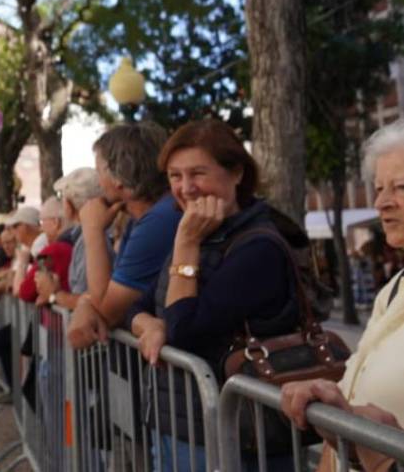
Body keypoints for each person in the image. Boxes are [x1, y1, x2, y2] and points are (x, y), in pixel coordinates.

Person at [126, 120, 298, 471]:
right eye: (175, 176)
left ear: (236, 173)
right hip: (178, 428)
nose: (185, 188)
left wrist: (186, 244)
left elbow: (185, 332)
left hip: (237, 441)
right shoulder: (199, 233)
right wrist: (150, 326)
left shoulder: (258, 246)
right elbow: (139, 306)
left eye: (197, 174)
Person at [281, 121, 404, 472]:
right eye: (379, 188)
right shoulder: (393, 288)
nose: (381, 202)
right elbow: (350, 398)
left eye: (400, 187)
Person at [68, 122, 182, 350]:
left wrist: (92, 230)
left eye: (99, 171)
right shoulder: (145, 218)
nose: (99, 183)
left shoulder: (159, 220)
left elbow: (107, 310)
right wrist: (84, 303)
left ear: (119, 177)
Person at [33, 168, 107, 310]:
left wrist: (54, 294)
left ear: (68, 205)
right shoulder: (83, 237)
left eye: (62, 197)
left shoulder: (88, 240)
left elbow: (91, 303)